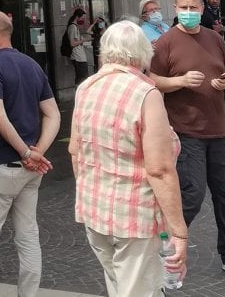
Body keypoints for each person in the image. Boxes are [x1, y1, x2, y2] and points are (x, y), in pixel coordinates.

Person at [69, 20, 188, 296]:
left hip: (95, 213)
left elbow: (75, 151)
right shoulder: (145, 93)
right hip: (135, 218)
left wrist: (91, 193)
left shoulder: (86, 87)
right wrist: (179, 231)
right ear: (143, 53)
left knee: (119, 287)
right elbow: (159, 170)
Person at [149, 0, 225, 274]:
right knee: (192, 195)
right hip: (185, 132)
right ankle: (165, 249)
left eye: (193, 7)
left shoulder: (214, 38)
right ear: (175, 9)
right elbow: (151, 80)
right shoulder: (166, 42)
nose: (189, 12)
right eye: (183, 8)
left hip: (219, 130)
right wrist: (179, 81)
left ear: (201, 9)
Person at [0, 11, 60, 297]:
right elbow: (53, 114)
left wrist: (26, 152)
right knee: (28, 234)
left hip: (0, 164)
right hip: (30, 170)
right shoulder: (32, 65)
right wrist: (38, 151)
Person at [67, 9, 88, 85]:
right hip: (78, 57)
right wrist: (82, 40)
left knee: (81, 78)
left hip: (80, 56)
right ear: (77, 17)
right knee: (82, 78)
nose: (83, 20)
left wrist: (81, 40)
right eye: (82, 18)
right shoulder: (73, 27)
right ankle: (79, 91)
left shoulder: (75, 27)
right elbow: (72, 43)